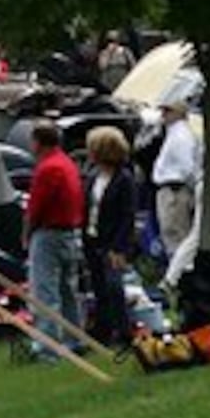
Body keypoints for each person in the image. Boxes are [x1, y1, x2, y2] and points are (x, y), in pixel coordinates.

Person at [23, 122, 86, 359]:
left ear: (38, 142)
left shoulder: (47, 168)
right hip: (70, 231)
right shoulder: (67, 163)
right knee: (68, 289)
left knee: (45, 291)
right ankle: (75, 338)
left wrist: (26, 232)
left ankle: (47, 347)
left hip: (48, 233)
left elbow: (36, 206)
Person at [83, 126, 137, 345]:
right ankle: (103, 330)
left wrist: (119, 248)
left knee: (114, 287)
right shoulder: (93, 176)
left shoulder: (124, 179)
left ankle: (124, 332)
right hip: (92, 237)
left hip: (113, 241)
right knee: (99, 287)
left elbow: (127, 216)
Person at [152, 98, 200, 257]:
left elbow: (187, 167)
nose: (163, 114)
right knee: (171, 234)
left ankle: (180, 275)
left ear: (179, 113)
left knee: (175, 234)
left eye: (168, 111)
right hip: (171, 189)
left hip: (174, 191)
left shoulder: (181, 136)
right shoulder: (174, 133)